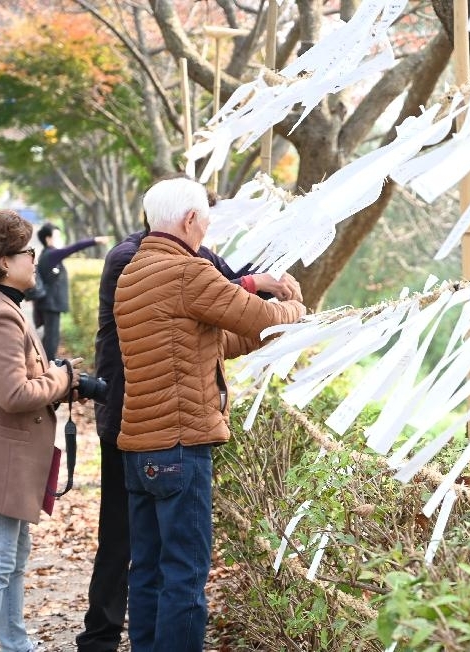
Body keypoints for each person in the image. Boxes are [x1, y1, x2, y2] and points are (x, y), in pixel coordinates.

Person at [76, 196, 302, 652]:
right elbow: (259, 312)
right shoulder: (188, 271)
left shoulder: (134, 273)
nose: (206, 233)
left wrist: (274, 330)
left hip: (139, 446)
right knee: (185, 575)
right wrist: (296, 312)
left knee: (150, 570)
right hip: (180, 444)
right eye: (205, 222)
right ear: (190, 218)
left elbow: (215, 341)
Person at [0, 210, 82, 652]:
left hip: (6, 454)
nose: (34, 259)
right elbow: (14, 394)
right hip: (3, 457)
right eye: (28, 252)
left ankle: (14, 640)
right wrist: (63, 380)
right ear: (5, 262)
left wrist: (60, 376)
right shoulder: (1, 315)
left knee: (12, 558)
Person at [33, 222, 108, 359]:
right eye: (57, 236)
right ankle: (48, 368)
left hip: (49, 303)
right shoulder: (51, 254)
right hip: (51, 304)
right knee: (52, 339)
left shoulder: (47, 254)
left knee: (50, 337)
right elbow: (74, 248)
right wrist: (95, 240)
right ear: (48, 239)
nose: (60, 239)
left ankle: (45, 365)